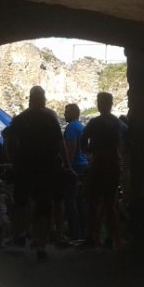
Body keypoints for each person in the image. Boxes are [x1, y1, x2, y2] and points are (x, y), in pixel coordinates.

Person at [4, 86, 73, 262]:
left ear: (30, 99)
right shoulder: (50, 120)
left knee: (21, 202)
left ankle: (20, 236)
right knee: (43, 206)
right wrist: (67, 165)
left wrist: (14, 161)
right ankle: (41, 245)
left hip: (24, 167)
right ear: (42, 99)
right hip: (45, 168)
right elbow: (60, 144)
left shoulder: (20, 119)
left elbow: (9, 142)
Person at [80, 92, 126, 249]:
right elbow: (127, 139)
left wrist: (89, 153)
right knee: (110, 203)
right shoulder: (118, 123)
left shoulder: (95, 122)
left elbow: (83, 140)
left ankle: (92, 236)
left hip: (98, 163)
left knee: (93, 201)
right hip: (113, 163)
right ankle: (113, 238)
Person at [62, 103, 88, 241]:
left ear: (73, 112)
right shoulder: (80, 126)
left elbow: (71, 148)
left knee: (70, 201)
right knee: (80, 201)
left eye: (66, 111)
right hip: (83, 165)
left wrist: (67, 166)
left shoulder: (71, 127)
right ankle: (83, 231)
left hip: (75, 166)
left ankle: (74, 233)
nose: (64, 114)